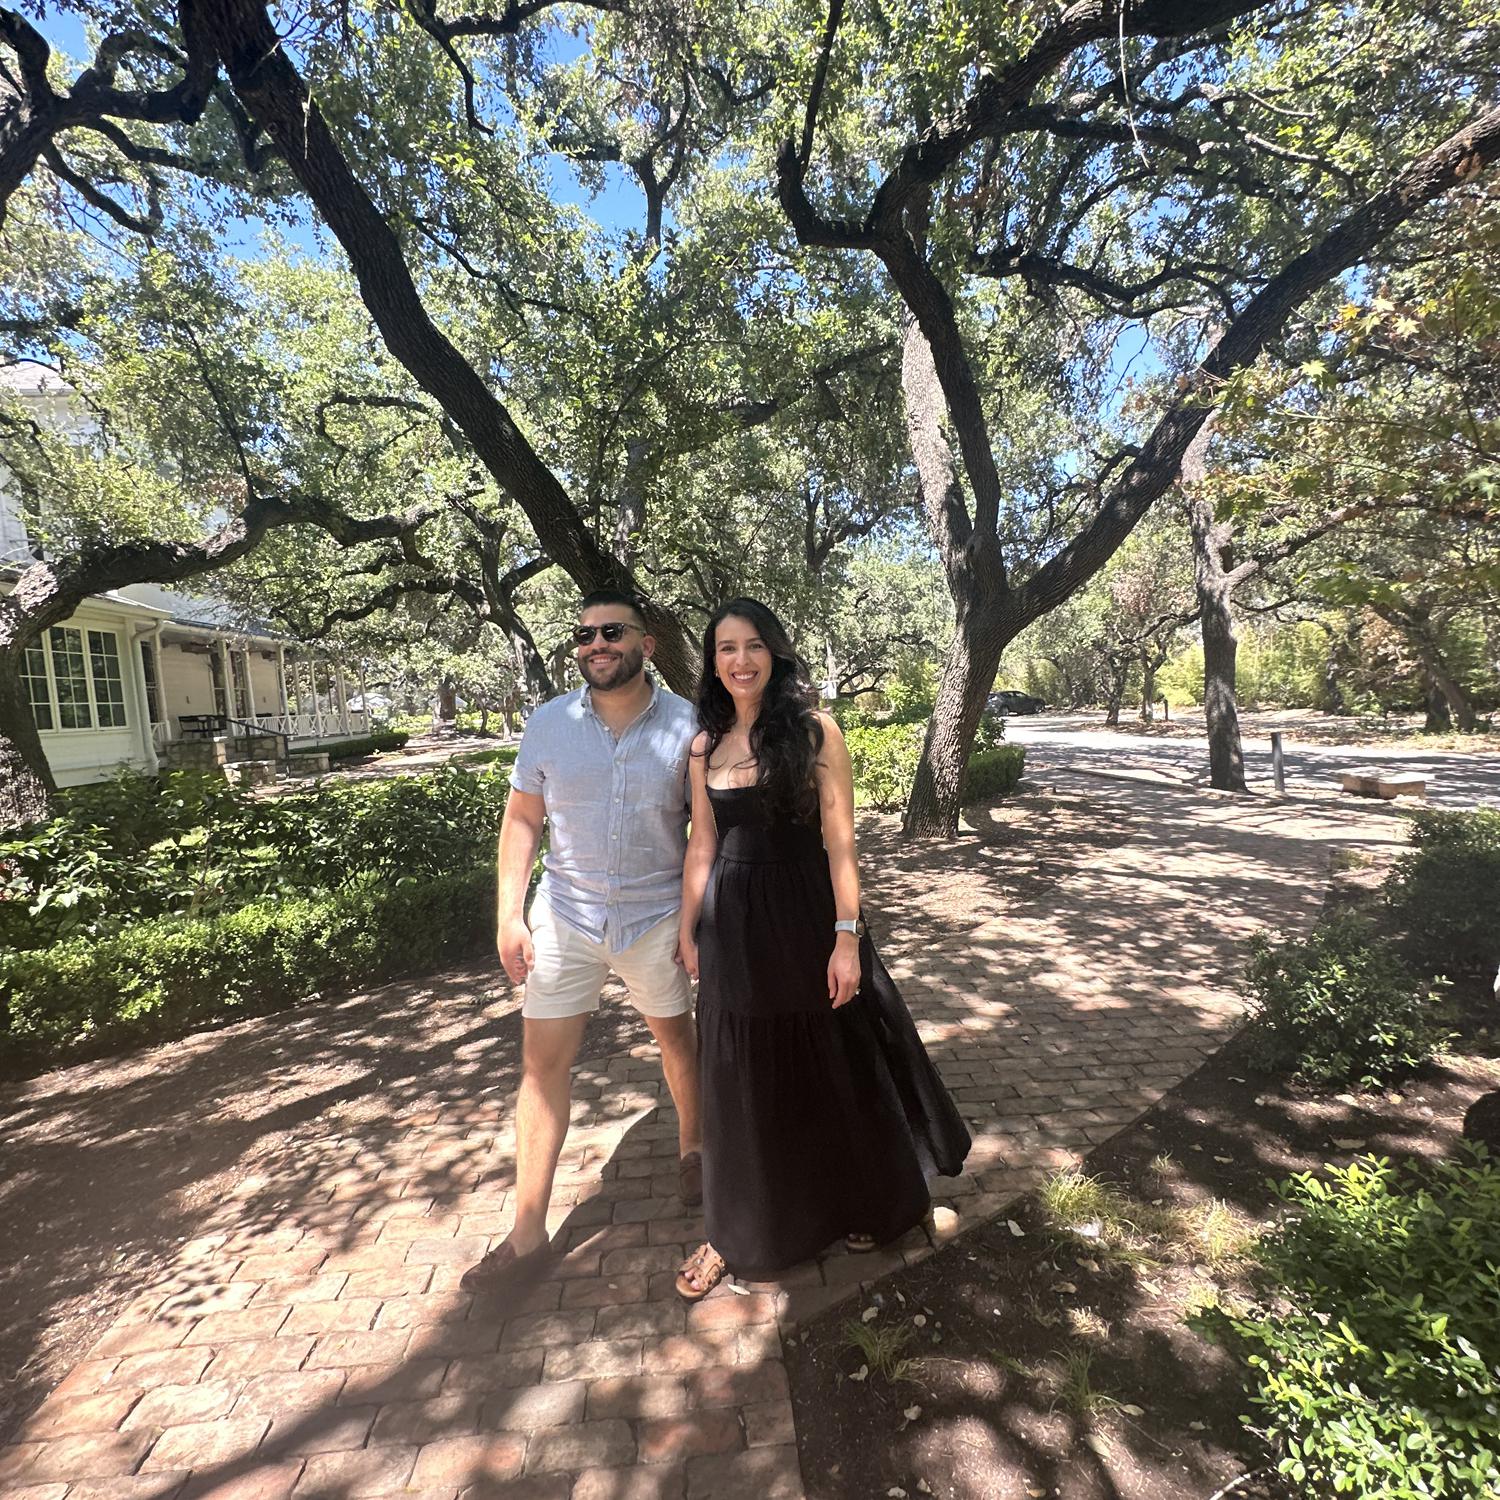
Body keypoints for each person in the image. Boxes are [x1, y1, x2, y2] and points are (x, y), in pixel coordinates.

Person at [675, 598, 970, 1297]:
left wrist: (846, 937)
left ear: (775, 652)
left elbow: (841, 844)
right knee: (738, 1077)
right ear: (712, 662)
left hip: (807, 915)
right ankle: (735, 1234)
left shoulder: (815, 731)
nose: (740, 660)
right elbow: (703, 843)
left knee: (834, 1060)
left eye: (753, 645)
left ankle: (868, 1203)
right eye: (725, 648)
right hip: (733, 926)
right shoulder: (704, 745)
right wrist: (688, 928)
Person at [461, 590, 703, 1294]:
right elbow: (522, 820)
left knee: (677, 1041)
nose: (596, 644)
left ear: (646, 645)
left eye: (612, 632)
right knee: (541, 1067)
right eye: (585, 634)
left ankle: (694, 1144)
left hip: (654, 917)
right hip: (565, 918)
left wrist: (694, 922)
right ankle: (527, 1234)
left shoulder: (689, 725)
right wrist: (509, 915)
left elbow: (704, 835)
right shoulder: (548, 724)